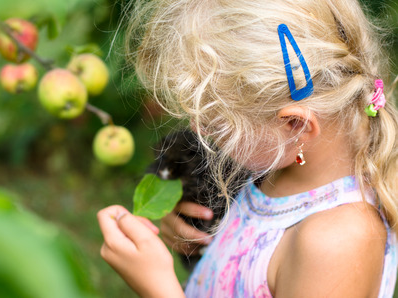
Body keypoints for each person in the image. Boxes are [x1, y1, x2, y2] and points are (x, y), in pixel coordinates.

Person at [97, 0, 398, 296]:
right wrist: (189, 228)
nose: (195, 129)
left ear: (295, 125)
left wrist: (157, 286)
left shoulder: (338, 243)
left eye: (215, 124)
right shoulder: (272, 164)